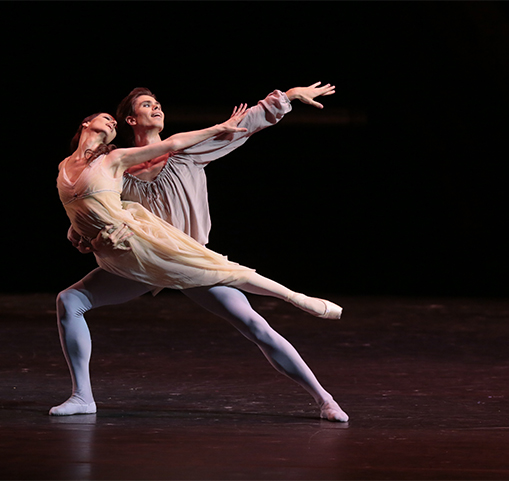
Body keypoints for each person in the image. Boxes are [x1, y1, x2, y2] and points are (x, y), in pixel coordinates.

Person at [51, 84, 349, 422]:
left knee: (255, 325)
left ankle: (324, 398)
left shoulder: (185, 152)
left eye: (158, 102)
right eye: (148, 104)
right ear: (131, 119)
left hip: (190, 263)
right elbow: (97, 204)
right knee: (70, 301)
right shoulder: (116, 168)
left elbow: (242, 125)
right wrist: (79, 232)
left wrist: (287, 98)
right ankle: (82, 396)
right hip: (141, 262)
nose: (157, 107)